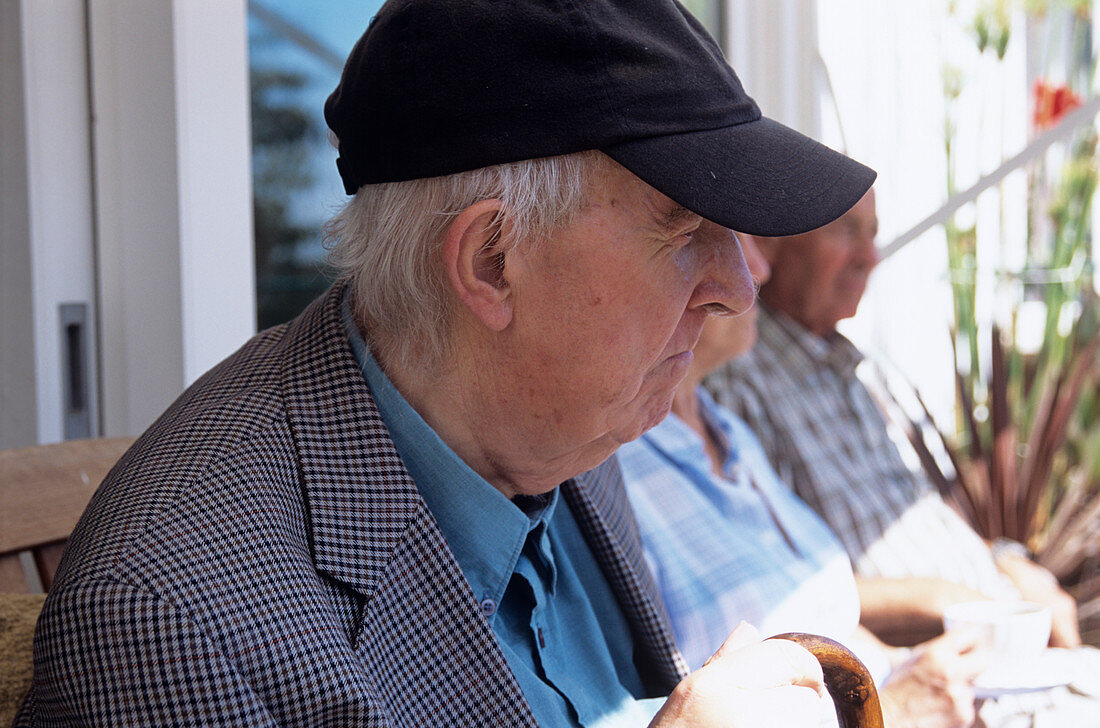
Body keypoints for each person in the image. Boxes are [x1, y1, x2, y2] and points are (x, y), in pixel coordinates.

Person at [15, 1, 876, 726]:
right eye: (685, 229)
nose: (738, 286)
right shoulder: (174, 624)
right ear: (493, 263)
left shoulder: (548, 416)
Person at [708, 188, 1100, 726]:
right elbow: (783, 583)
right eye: (846, 230)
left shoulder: (849, 369)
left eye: (872, 233)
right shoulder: (739, 381)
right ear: (772, 243)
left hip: (1007, 650)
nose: (871, 256)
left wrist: (1004, 559)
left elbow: (919, 523)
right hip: (945, 678)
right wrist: (943, 598)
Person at [618, 235, 985, 728]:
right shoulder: (605, 464)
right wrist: (895, 706)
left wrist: (915, 672)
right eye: (698, 236)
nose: (756, 271)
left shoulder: (729, 431)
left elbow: (834, 614)